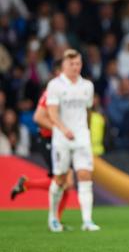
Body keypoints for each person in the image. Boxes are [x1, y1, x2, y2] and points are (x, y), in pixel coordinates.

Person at [10, 59, 74, 226]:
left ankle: (56, 220)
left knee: (65, 182)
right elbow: (38, 117)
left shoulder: (67, 92)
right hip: (48, 139)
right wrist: (60, 130)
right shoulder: (50, 93)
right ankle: (54, 220)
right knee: (63, 181)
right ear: (58, 72)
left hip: (60, 140)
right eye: (68, 68)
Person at [46, 49, 99, 232]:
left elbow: (88, 111)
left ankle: (87, 221)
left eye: (78, 64)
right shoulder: (55, 85)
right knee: (60, 178)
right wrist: (63, 129)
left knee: (85, 175)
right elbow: (51, 112)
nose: (75, 67)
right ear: (64, 65)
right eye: (71, 64)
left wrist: (87, 131)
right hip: (62, 138)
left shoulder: (87, 86)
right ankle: (53, 218)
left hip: (81, 137)